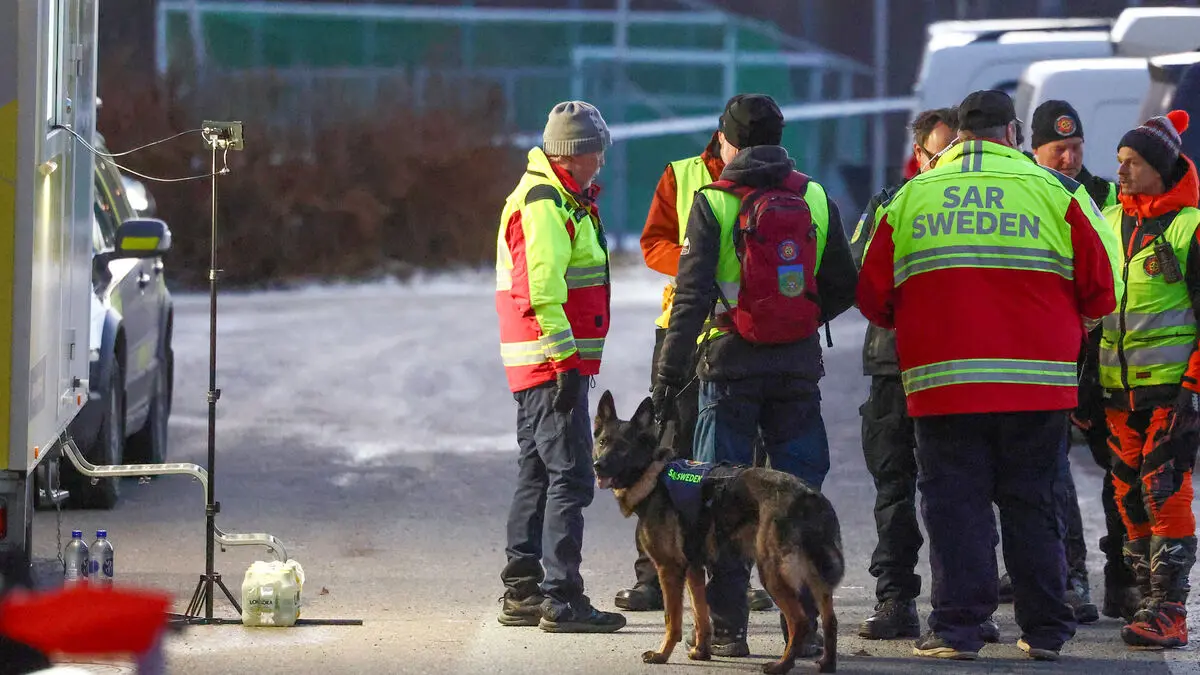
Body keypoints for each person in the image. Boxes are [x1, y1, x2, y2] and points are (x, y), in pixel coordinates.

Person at [858, 89, 1120, 661]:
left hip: (943, 384)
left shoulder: (909, 198)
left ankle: (958, 631)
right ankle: (1047, 631)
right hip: (1038, 384)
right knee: (1034, 503)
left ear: (958, 135)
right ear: (1013, 134)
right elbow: (1105, 288)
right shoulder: (1059, 194)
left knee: (956, 508)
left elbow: (873, 298)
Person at [652, 93, 858, 657]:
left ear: (728, 140)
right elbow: (846, 282)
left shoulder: (713, 202)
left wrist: (669, 378)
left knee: (721, 499)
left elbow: (691, 296)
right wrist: (801, 317)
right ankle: (807, 631)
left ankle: (727, 627)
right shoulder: (813, 196)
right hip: (795, 368)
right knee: (797, 497)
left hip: (729, 367)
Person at [852, 108, 1003, 644]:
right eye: (939, 154)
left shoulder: (976, 203)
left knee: (964, 494)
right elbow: (861, 276)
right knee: (894, 488)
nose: (948, 163)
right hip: (896, 367)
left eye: (956, 151)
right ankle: (895, 599)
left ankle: (967, 606)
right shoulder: (891, 203)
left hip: (955, 368)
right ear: (919, 156)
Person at [618, 134, 776, 614]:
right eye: (741, 143)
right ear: (722, 138)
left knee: (738, 458)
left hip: (742, 331)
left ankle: (736, 574)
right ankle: (652, 573)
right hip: (684, 328)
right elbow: (652, 244)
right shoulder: (682, 173)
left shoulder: (779, 178)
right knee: (666, 448)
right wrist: (696, 265)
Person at [494, 100, 625, 633]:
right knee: (571, 476)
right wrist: (567, 363)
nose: (602, 161)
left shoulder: (553, 195)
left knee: (537, 473)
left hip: (537, 364)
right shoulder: (546, 201)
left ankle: (523, 590)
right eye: (597, 152)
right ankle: (561, 598)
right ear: (577, 153)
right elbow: (542, 292)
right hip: (551, 364)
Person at [1101, 110, 1200, 649]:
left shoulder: (1191, 227)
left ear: (1161, 168)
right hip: (1117, 391)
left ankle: (1171, 610)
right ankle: (1146, 598)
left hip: (1171, 391)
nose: (1122, 172)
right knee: (1127, 496)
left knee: (1164, 492)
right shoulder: (1108, 221)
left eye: (1133, 162)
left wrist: (1193, 389)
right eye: (1119, 161)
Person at [1026, 99, 1126, 624]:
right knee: (1049, 475)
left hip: (1103, 359)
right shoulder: (1027, 195)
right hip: (1047, 359)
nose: (1069, 158)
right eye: (1059, 149)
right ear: (1034, 150)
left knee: (1118, 476)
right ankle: (1070, 574)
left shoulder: (1107, 194)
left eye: (1076, 147)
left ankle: (1121, 580)